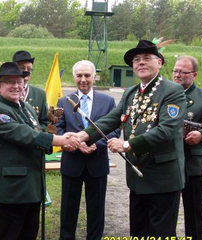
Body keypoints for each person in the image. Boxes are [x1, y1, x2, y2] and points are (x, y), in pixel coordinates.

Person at [70, 40, 187, 238]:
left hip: (162, 177)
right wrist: (82, 135)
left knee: (161, 232)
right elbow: (112, 119)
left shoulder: (172, 91)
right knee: (138, 231)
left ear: (159, 63)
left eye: (146, 59)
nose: (141, 63)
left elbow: (166, 130)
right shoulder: (131, 93)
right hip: (137, 176)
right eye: (136, 60)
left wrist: (126, 144)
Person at [0, 62, 80, 240]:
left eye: (19, 82)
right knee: (8, 235)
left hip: (33, 186)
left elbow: (37, 134)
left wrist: (62, 142)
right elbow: (24, 135)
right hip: (11, 190)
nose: (16, 86)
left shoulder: (25, 107)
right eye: (10, 82)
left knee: (28, 234)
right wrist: (59, 140)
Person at [57, 60, 120, 240]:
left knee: (96, 211)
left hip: (97, 163)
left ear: (94, 77)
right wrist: (74, 143)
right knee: (68, 211)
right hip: (72, 163)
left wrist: (96, 144)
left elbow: (115, 128)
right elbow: (59, 128)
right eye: (79, 76)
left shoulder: (107, 101)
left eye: (87, 76)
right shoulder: (64, 100)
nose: (83, 79)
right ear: (74, 77)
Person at [173, 55, 202, 240]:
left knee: (195, 213)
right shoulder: (165, 94)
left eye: (183, 72)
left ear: (194, 74)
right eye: (175, 71)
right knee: (166, 213)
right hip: (168, 163)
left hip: (192, 164)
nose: (178, 75)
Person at [0, 50, 50, 131]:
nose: (26, 71)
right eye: (22, 68)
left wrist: (36, 132)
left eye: (29, 69)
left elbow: (45, 121)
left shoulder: (39, 94)